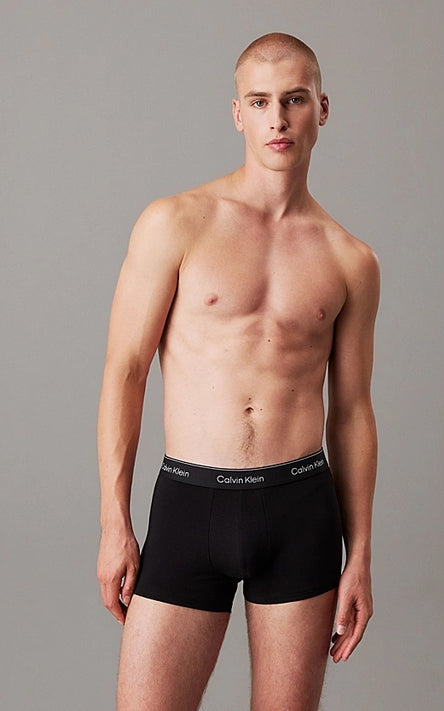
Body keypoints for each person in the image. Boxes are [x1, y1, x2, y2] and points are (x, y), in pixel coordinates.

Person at [97, 31, 380, 711]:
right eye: (259, 101)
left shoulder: (350, 260)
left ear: (322, 108)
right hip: (191, 504)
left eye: (294, 99)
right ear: (237, 114)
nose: (277, 118)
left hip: (300, 510)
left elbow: (351, 412)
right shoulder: (176, 223)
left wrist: (361, 554)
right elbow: (126, 371)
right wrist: (114, 522)